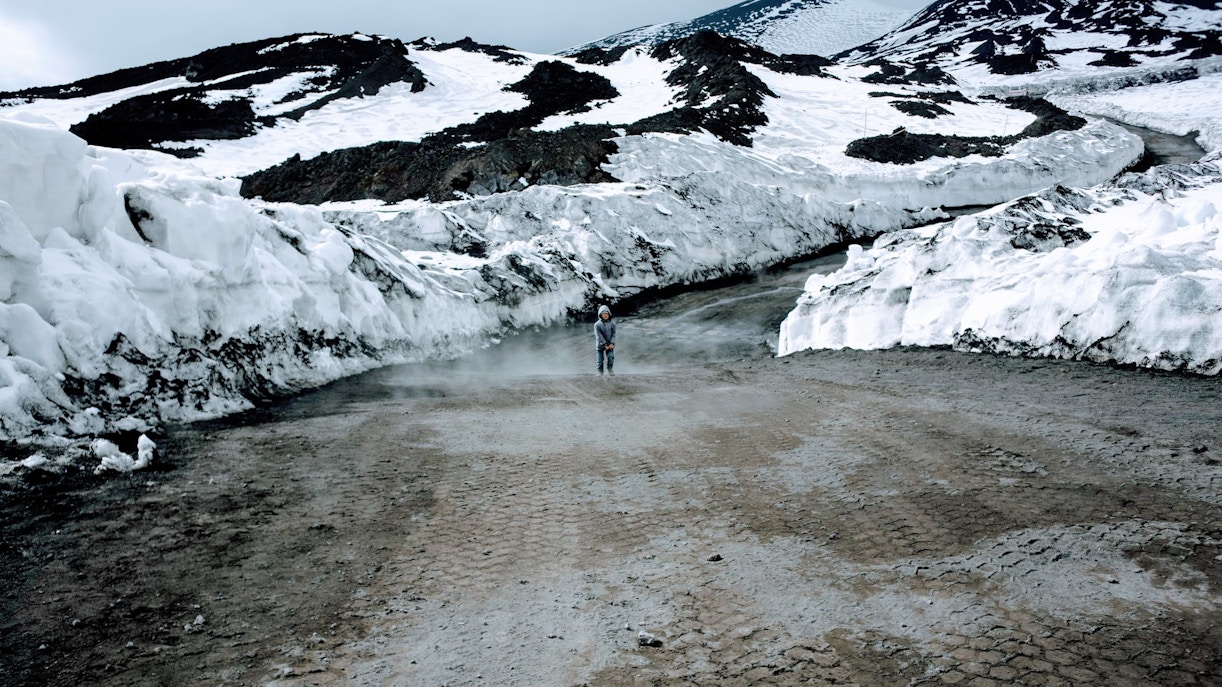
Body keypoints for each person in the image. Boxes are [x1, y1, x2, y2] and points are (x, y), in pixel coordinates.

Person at [595, 304, 616, 375]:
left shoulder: (613, 323)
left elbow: (614, 334)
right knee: (600, 361)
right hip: (600, 345)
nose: (605, 315)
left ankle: (610, 369)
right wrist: (604, 344)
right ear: (600, 315)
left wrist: (612, 343)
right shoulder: (597, 325)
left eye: (607, 314)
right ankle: (600, 372)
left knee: (611, 357)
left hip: (610, 344)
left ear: (609, 314)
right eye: (603, 314)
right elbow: (598, 336)